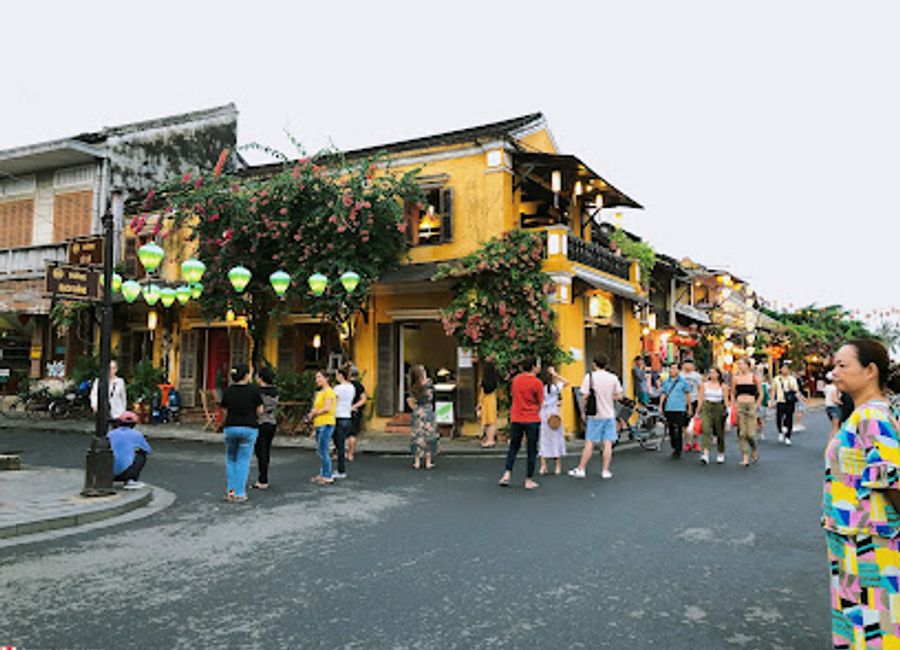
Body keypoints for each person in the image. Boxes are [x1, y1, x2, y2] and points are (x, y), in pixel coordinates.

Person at [823, 339, 900, 648]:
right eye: (835, 365)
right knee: (860, 627)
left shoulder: (872, 417)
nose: (834, 372)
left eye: (843, 365)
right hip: (854, 540)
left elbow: (894, 481)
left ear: (870, 371)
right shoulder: (863, 414)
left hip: (871, 545)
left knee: (876, 632)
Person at [569, 354, 623, 479]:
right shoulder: (613, 377)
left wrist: (583, 411)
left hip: (595, 415)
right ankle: (605, 470)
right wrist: (609, 396)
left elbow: (584, 396)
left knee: (590, 443)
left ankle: (581, 469)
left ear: (594, 364)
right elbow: (619, 396)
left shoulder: (590, 377)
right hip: (609, 414)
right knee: (608, 443)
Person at [220, 364, 263, 502]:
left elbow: (224, 411)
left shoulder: (228, 391)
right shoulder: (254, 390)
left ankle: (230, 490)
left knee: (231, 459)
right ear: (246, 375)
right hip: (249, 427)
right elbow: (260, 410)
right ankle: (240, 492)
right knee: (243, 460)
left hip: (231, 427)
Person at [499, 356, 543, 489]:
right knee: (531, 449)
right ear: (534, 367)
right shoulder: (537, 383)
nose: (539, 367)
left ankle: (507, 473)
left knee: (513, 446)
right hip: (532, 418)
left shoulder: (516, 380)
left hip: (517, 417)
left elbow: (513, 395)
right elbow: (540, 401)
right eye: (538, 364)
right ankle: (528, 479)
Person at [107, 411, 152, 489]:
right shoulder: (137, 434)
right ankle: (131, 480)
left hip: (109, 472)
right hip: (125, 472)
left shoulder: (110, 434)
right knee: (142, 454)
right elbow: (148, 450)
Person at [308, 370, 337, 485]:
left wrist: (315, 413)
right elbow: (316, 407)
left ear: (326, 378)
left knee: (324, 450)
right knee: (321, 450)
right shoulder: (319, 393)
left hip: (326, 422)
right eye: (316, 377)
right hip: (319, 423)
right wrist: (312, 414)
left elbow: (327, 408)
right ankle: (323, 473)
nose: (317, 380)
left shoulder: (329, 392)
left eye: (320, 377)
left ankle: (328, 475)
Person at [538, 366, 568, 476]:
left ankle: (543, 466)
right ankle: (557, 466)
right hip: (554, 413)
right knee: (556, 438)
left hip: (543, 414)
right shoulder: (554, 388)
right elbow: (566, 382)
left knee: (543, 439)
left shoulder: (540, 388)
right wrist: (555, 374)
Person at [731, 358, 762, 467]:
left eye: (741, 364)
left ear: (747, 365)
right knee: (742, 433)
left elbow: (760, 393)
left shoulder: (754, 377)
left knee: (750, 434)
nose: (739, 366)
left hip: (751, 405)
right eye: (738, 364)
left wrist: (757, 405)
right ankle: (745, 456)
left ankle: (753, 448)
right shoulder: (736, 378)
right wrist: (734, 405)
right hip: (740, 405)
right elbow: (732, 393)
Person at [252, 367, 278, 490]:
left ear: (261, 378)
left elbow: (259, 409)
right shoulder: (275, 391)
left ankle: (262, 479)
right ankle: (263, 477)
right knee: (266, 450)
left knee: (260, 451)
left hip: (260, 421)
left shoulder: (257, 392)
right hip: (271, 421)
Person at [659, 362, 692, 459]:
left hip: (680, 408)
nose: (672, 370)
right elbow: (663, 394)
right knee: (671, 429)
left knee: (679, 429)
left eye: (674, 368)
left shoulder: (683, 382)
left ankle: (678, 449)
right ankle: (674, 445)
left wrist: (689, 407)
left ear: (678, 370)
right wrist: (660, 406)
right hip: (669, 408)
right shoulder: (666, 382)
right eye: (671, 368)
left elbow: (687, 395)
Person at [697, 367, 729, 465]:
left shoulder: (723, 386)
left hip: (719, 407)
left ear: (718, 374)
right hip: (707, 406)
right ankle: (705, 453)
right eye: (710, 373)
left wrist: (728, 412)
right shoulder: (704, 385)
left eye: (714, 373)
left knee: (719, 431)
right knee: (706, 428)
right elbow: (701, 398)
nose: (712, 374)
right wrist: (697, 411)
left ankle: (720, 452)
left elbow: (726, 400)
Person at [408, 365, 438, 470]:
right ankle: (428, 462)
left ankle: (417, 461)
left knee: (417, 436)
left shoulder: (413, 386)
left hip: (418, 411)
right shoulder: (429, 383)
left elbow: (410, 400)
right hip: (428, 410)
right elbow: (432, 396)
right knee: (429, 436)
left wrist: (416, 408)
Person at [332, 365, 356, 479]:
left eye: (337, 374)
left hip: (338, 417)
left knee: (339, 446)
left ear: (341, 375)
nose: (336, 377)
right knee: (341, 444)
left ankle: (341, 470)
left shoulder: (337, 388)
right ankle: (341, 468)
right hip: (347, 417)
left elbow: (333, 401)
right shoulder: (352, 387)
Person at [772, 364, 802, 445]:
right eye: (783, 368)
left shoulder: (792, 379)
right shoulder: (776, 379)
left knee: (789, 418)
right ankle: (780, 432)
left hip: (789, 401)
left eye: (786, 368)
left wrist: (798, 396)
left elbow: (796, 390)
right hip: (780, 400)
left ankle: (788, 437)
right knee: (779, 418)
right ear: (780, 370)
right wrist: (772, 400)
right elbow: (773, 390)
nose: (785, 370)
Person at [681, 360, 703, 453]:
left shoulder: (697, 376)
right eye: (686, 364)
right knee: (684, 424)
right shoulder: (680, 375)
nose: (688, 366)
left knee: (695, 423)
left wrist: (700, 401)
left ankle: (695, 442)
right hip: (682, 401)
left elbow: (700, 388)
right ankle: (688, 442)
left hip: (694, 400)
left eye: (690, 364)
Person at [347, 366, 367, 462]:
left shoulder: (345, 385)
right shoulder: (359, 386)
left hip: (344, 411)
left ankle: (343, 452)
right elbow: (363, 399)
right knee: (352, 433)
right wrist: (355, 406)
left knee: (343, 433)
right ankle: (350, 454)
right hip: (355, 412)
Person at [479, 362, 499, 448]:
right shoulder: (494, 380)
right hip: (492, 400)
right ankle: (490, 440)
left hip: (485, 401)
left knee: (487, 421)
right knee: (491, 421)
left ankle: (490, 440)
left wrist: (479, 403)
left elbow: (482, 393)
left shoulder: (484, 381)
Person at [823, 370, 842, 438]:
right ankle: (833, 442)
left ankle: (835, 441)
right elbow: (835, 400)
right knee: (836, 428)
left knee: (834, 427)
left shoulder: (826, 387)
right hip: (834, 408)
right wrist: (841, 403)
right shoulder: (834, 388)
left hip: (827, 408)